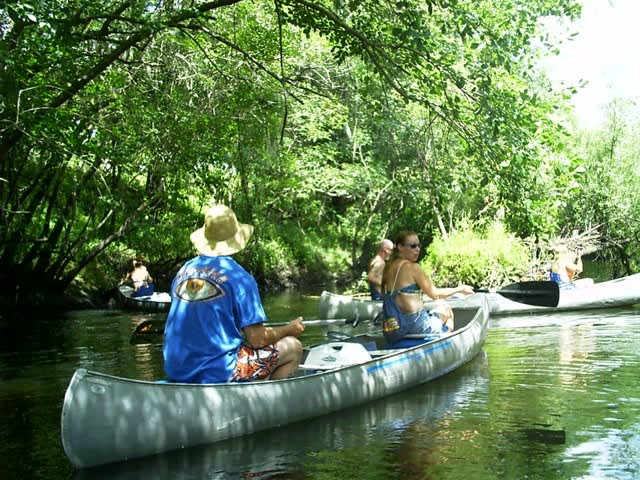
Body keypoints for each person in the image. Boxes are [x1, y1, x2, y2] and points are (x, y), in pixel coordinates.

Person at [163, 205, 304, 384]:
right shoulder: (240, 277)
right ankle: (270, 403)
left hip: (177, 370)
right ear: (236, 239)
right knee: (293, 347)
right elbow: (257, 339)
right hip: (220, 372)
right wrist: (288, 330)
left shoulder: (184, 271)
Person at [380, 230, 474, 346]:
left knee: (433, 310)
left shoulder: (388, 267)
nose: (417, 249)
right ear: (400, 247)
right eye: (413, 246)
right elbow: (435, 294)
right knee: (446, 308)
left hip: (392, 327)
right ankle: (446, 344)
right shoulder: (413, 267)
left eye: (419, 246)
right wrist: (459, 289)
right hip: (414, 326)